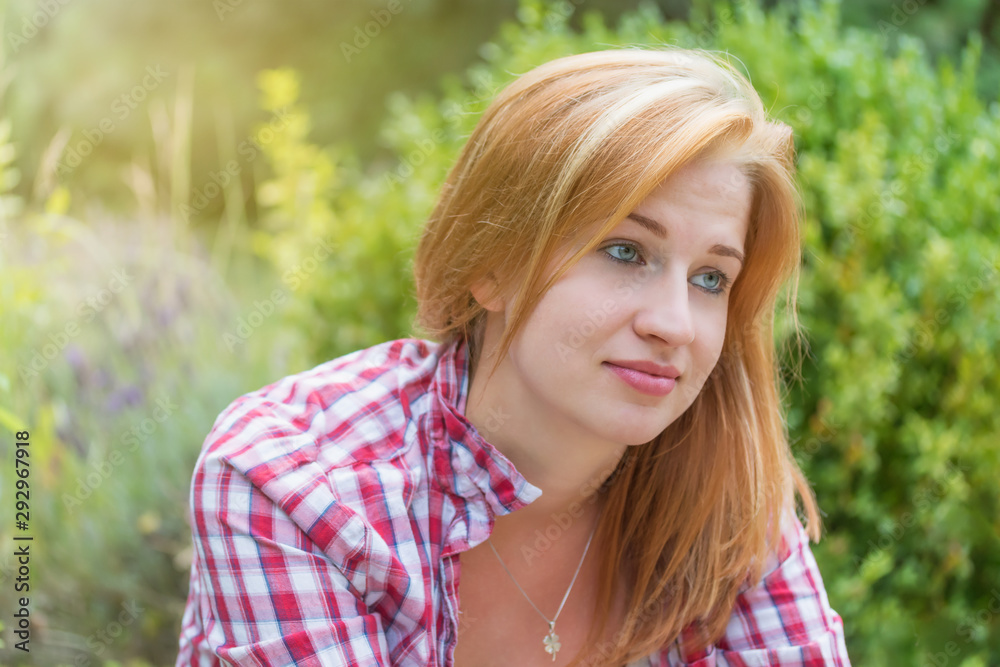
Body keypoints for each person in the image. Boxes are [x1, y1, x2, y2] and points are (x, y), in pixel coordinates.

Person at [176, 47, 851, 666]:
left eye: (711, 278)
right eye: (625, 251)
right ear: (493, 262)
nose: (674, 323)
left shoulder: (723, 494)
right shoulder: (295, 483)